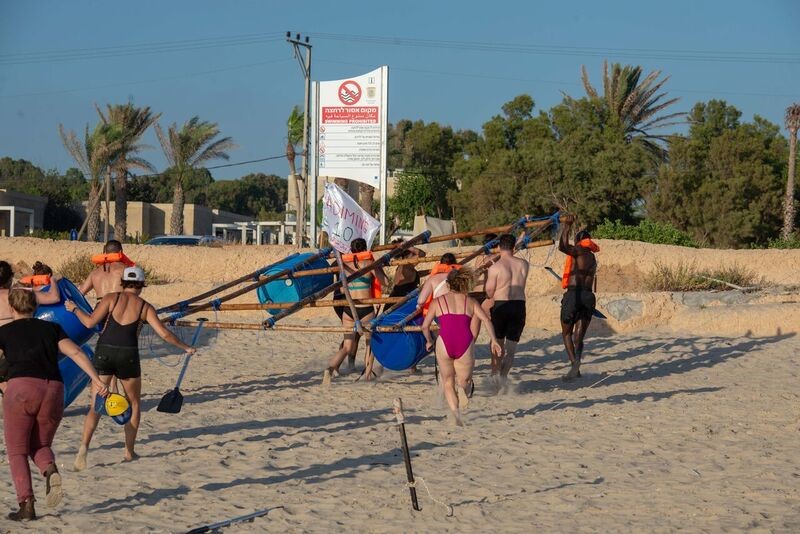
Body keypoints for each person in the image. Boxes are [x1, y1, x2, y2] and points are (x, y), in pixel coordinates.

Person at [65, 266, 196, 470]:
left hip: (104, 352)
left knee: (97, 404)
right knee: (134, 404)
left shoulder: (110, 298)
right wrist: (185, 347)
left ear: (123, 282)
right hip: (128, 356)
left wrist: (74, 309)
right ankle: (129, 452)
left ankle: (83, 448)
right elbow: (164, 334)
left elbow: (90, 323)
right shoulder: (145, 307)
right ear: (142, 286)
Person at [0, 286, 108, 521]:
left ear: (11, 307)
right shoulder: (52, 329)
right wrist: (97, 380)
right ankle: (49, 468)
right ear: (36, 307)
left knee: (17, 450)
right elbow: (76, 352)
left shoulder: (4, 332)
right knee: (40, 444)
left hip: (21, 388)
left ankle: (26, 505)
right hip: (54, 389)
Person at [422, 268, 501, 426]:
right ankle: (463, 390)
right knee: (465, 380)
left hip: (444, 342)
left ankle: (456, 414)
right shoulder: (471, 301)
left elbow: (425, 326)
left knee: (447, 381)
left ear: (448, 284)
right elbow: (486, 320)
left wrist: (429, 340)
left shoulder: (438, 301)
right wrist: (494, 340)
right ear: (464, 284)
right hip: (464, 342)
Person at [323, 239, 388, 386]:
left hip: (349, 310)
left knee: (347, 346)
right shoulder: (368, 263)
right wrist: (378, 267)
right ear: (365, 249)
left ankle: (330, 369)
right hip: (365, 308)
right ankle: (367, 374)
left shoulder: (344, 266)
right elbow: (385, 281)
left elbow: (341, 289)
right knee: (370, 343)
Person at [485, 234, 530, 386]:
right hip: (519, 305)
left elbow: (489, 292)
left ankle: (495, 376)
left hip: (501, 305)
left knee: (497, 344)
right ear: (513, 247)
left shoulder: (495, 267)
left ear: (499, 247)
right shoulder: (524, 264)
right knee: (511, 349)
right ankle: (503, 378)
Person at [558, 216, 599, 381]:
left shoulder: (579, 250)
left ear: (578, 241)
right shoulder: (593, 258)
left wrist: (566, 226)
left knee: (566, 333)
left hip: (574, 295)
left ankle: (575, 365)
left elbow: (562, 246)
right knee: (579, 337)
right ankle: (577, 367)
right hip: (588, 296)